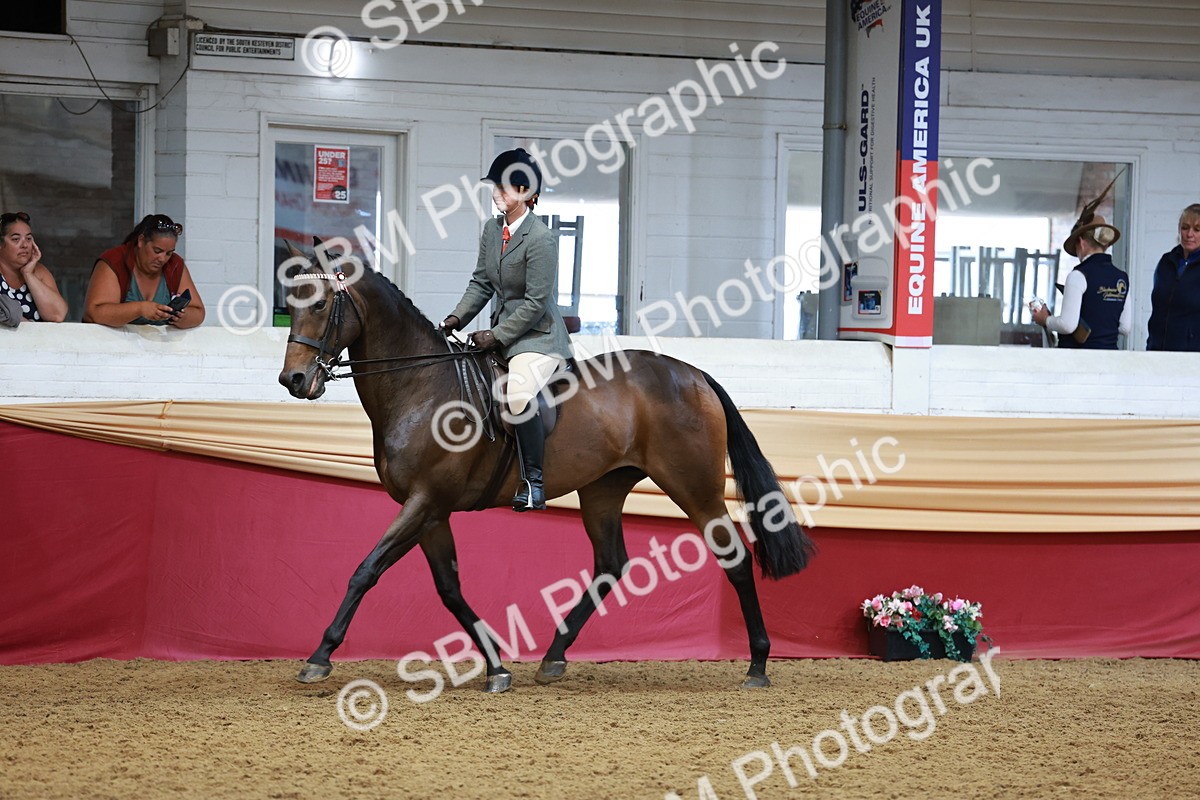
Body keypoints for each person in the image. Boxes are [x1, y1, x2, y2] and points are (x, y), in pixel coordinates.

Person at [441, 148, 573, 512]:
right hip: (504, 333)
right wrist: (455, 319)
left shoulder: (541, 238)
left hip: (538, 337)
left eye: (503, 188)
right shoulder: (491, 230)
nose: (495, 193)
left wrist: (495, 336)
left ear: (526, 192)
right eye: (494, 187)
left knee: (517, 394)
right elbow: (481, 283)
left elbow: (535, 303)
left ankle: (534, 483)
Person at [1032, 181, 1130, 349]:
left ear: (1081, 243)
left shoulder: (1079, 275)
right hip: (1110, 358)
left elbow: (1067, 325)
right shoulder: (1122, 277)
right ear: (1105, 244)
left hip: (1080, 360)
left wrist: (1045, 320)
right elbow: (1125, 327)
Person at [84, 214, 205, 328]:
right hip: (112, 345)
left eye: (169, 253)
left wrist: (183, 317)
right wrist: (139, 309)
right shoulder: (115, 261)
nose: (162, 259)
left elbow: (199, 312)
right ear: (141, 240)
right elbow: (94, 313)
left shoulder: (175, 264)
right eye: (157, 251)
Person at [1146, 203, 1200, 351]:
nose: (1189, 234)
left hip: (1191, 356)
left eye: (1197, 229)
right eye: (1185, 227)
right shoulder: (1166, 261)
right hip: (1157, 351)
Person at [0, 211, 68, 322]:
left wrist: (28, 274)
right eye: (16, 239)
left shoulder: (39, 271)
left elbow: (57, 315)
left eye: (28, 238)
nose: (25, 245)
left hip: (39, 339)